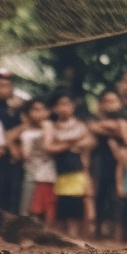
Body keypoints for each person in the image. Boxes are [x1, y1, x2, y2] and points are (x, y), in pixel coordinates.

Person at [45, 91, 93, 239]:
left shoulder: (80, 125)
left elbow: (88, 143)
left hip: (77, 170)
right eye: (61, 104)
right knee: (60, 204)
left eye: (67, 104)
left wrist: (62, 144)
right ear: (54, 108)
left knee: (76, 203)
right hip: (58, 171)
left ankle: (74, 235)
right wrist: (73, 142)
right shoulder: (51, 126)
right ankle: (60, 236)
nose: (64, 108)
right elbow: (49, 147)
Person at [87, 89, 127, 238]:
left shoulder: (125, 117)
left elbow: (123, 133)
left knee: (117, 197)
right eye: (106, 101)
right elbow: (92, 128)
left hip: (120, 162)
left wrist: (107, 129)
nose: (110, 104)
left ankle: (116, 234)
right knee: (99, 194)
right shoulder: (94, 117)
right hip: (99, 160)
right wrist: (112, 129)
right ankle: (97, 231)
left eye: (113, 101)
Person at [0, 70, 25, 215]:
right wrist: (11, 145)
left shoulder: (15, 109)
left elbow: (20, 131)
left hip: (11, 161)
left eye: (7, 86)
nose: (3, 89)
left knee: (10, 194)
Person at [14, 99, 56, 225]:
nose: (39, 113)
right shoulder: (26, 133)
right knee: (27, 210)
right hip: (31, 174)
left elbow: (49, 146)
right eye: (35, 109)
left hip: (49, 176)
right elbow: (25, 155)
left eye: (42, 109)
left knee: (48, 211)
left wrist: (47, 127)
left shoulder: (52, 127)